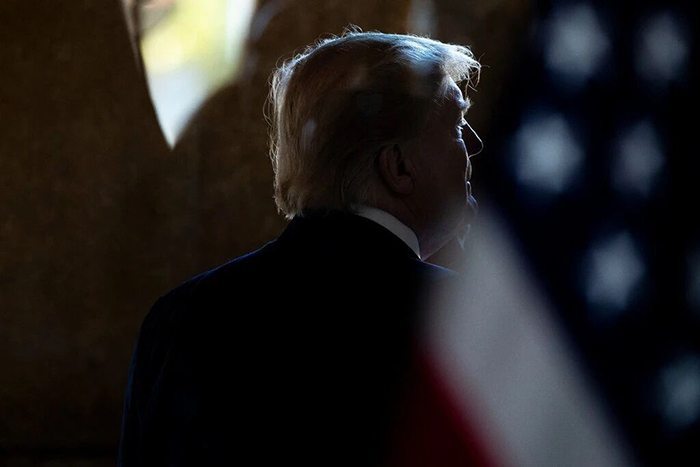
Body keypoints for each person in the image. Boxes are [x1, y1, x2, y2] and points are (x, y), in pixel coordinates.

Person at [118, 29, 485, 466]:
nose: (475, 144)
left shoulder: (176, 318)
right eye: (456, 126)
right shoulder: (462, 325)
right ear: (399, 167)